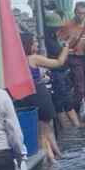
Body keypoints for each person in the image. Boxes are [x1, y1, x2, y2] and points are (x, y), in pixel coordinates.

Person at [20, 32, 70, 160]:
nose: (37, 43)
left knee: (46, 127)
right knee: (44, 130)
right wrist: (66, 46)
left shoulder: (17, 60)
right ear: (29, 45)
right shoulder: (33, 58)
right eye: (35, 41)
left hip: (27, 95)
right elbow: (59, 62)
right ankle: (50, 160)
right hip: (40, 94)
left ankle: (57, 154)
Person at [58, 1, 85, 110]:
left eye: (84, 13)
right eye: (79, 13)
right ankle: (76, 109)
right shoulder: (67, 25)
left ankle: (84, 108)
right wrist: (67, 46)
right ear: (75, 12)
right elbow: (59, 41)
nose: (81, 16)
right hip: (73, 57)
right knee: (80, 86)